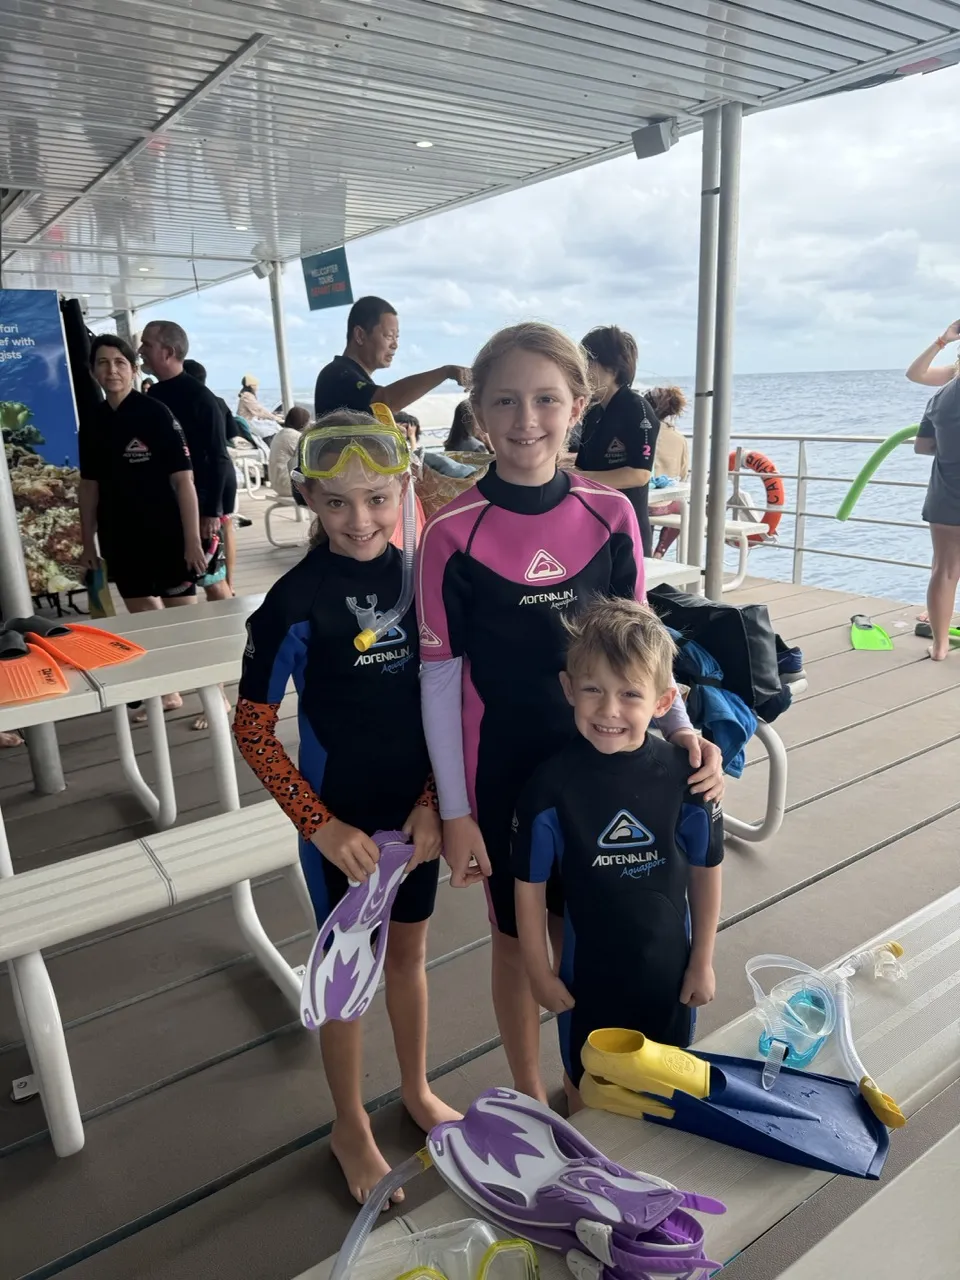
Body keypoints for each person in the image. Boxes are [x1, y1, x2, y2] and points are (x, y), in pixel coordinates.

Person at [416, 321, 724, 1102]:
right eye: (505, 401)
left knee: (587, 922)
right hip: (504, 768)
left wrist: (682, 731)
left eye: (547, 399)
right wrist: (455, 812)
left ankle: (583, 1081)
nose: (527, 420)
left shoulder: (610, 514)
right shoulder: (449, 534)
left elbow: (642, 647)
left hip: (606, 754)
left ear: (578, 407)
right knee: (515, 939)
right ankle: (531, 1095)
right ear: (478, 413)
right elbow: (440, 680)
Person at [232, 412, 458, 1205]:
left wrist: (433, 802)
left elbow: (445, 703)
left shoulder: (426, 582)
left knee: (409, 958)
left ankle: (417, 1088)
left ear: (403, 489)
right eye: (336, 502)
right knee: (345, 978)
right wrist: (320, 826)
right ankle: (348, 1124)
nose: (358, 520)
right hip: (341, 829)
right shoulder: (293, 602)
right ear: (308, 500)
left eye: (375, 499)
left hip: (415, 822)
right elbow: (252, 729)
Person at [514, 597, 723, 1109]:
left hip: (669, 975)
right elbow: (529, 887)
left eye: (630, 693)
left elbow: (706, 872)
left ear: (663, 700)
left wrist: (702, 961)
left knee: (666, 1090)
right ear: (569, 689)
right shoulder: (550, 787)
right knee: (586, 1088)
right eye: (593, 690)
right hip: (588, 980)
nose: (609, 710)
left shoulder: (686, 779)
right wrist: (539, 972)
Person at [78, 335, 207, 712]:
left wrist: (192, 540)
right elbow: (89, 487)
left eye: (120, 362)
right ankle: (169, 689)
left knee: (184, 622)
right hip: (120, 537)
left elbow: (184, 481)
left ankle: (210, 694)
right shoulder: (93, 422)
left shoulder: (156, 413)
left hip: (167, 534)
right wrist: (87, 543)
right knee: (145, 620)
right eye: (103, 363)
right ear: (93, 371)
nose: (112, 370)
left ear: (134, 370)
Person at [141, 320, 233, 727]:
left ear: (168, 351)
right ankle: (175, 688)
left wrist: (211, 512)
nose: (140, 351)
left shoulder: (200, 398)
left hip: (201, 512)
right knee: (196, 590)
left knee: (210, 589)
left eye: (146, 345)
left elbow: (218, 457)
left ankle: (220, 693)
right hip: (167, 512)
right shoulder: (153, 396)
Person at [575, 326, 659, 557]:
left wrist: (580, 479)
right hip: (594, 524)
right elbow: (583, 466)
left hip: (627, 529)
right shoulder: (593, 413)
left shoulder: (637, 408)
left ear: (611, 367)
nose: (581, 371)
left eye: (587, 363)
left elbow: (639, 474)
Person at [314, 295, 469, 419]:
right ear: (360, 335)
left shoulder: (349, 376)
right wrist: (445, 372)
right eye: (389, 336)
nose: (395, 345)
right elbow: (385, 402)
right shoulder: (338, 375)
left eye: (397, 337)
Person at [909, 321, 960, 660]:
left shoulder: (941, 397)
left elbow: (923, 446)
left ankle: (940, 646)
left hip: (946, 494)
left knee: (945, 569)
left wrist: (943, 339)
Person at [183, 358, 245, 583]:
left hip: (207, 475)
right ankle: (230, 581)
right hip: (225, 471)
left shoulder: (191, 402)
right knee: (226, 526)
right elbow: (232, 434)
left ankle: (214, 579)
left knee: (208, 532)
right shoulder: (218, 401)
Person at [646, 386, 690, 559]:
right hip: (664, 504)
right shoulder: (679, 439)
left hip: (640, 502)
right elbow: (683, 474)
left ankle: (646, 550)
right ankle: (660, 551)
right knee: (683, 507)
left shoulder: (639, 432)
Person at [268, 405, 311, 497]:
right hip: (289, 485)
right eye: (308, 421)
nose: (309, 425)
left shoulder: (280, 434)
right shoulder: (295, 436)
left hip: (277, 484)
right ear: (302, 422)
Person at [237, 374, 283, 442]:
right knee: (273, 428)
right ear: (251, 386)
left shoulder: (246, 395)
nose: (257, 388)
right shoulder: (247, 396)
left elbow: (257, 411)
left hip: (250, 421)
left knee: (272, 425)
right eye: (255, 385)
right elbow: (259, 411)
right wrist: (275, 417)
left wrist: (272, 416)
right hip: (249, 423)